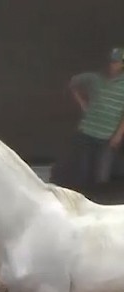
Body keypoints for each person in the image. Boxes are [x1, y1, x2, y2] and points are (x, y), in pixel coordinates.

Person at [57, 47, 124, 189]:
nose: (113, 65)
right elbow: (72, 82)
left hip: (107, 136)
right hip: (87, 131)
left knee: (101, 176)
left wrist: (118, 135)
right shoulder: (94, 78)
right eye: (111, 61)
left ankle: (99, 202)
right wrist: (82, 102)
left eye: (117, 62)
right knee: (82, 173)